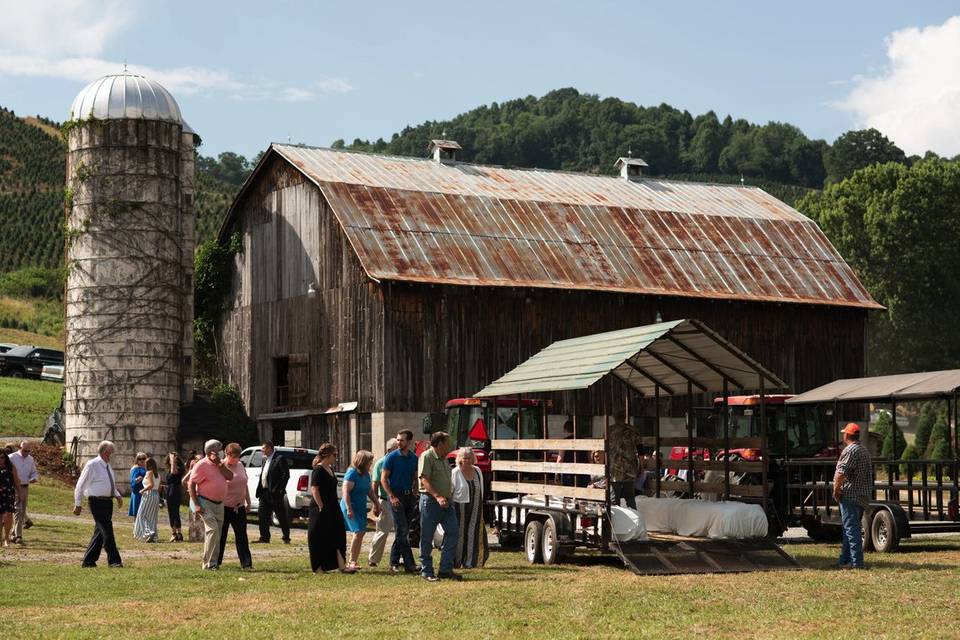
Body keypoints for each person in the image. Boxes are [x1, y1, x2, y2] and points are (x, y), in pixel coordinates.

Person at [418, 431, 461, 582]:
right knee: (427, 536)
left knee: (453, 532)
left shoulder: (444, 459)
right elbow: (424, 479)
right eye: (447, 443)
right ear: (440, 444)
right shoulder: (427, 456)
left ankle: (445, 569)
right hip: (431, 501)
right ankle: (426, 571)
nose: (450, 446)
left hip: (447, 502)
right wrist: (438, 496)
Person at [73, 441, 123, 567]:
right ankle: (114, 560)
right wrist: (77, 503)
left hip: (107, 502)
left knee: (100, 533)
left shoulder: (107, 466)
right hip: (96, 502)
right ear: (105, 452)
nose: (112, 456)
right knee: (107, 530)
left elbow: (108, 484)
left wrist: (117, 495)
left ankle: (88, 561)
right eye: (111, 453)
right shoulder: (92, 465)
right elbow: (80, 485)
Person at [187, 439, 234, 570]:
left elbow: (230, 476)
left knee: (217, 534)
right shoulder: (201, 465)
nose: (222, 452)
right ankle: (207, 564)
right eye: (220, 449)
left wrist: (220, 464)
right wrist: (196, 504)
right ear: (212, 451)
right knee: (212, 530)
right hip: (204, 502)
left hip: (219, 504)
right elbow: (191, 484)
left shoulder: (221, 464)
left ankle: (213, 563)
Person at [308, 443, 354, 573]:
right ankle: (318, 568)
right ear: (327, 455)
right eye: (334, 455)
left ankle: (341, 566)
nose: (336, 458)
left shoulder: (330, 469)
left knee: (338, 535)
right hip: (320, 508)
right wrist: (321, 506)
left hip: (333, 506)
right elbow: (314, 489)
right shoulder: (318, 469)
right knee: (318, 537)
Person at [833, 423, 874, 570]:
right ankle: (844, 561)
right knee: (848, 529)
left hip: (850, 495)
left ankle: (857, 563)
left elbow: (841, 474)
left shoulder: (850, 450)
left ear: (847, 436)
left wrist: (836, 491)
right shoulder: (864, 450)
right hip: (862, 495)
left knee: (851, 530)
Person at [381, 429, 420, 573]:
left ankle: (394, 563)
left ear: (409, 442)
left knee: (402, 532)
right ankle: (410, 564)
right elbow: (383, 479)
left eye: (402, 440)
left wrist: (415, 492)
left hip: (409, 497)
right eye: (397, 440)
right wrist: (391, 496)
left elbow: (415, 477)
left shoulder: (413, 458)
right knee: (402, 530)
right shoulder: (391, 457)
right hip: (396, 497)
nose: (398, 442)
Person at [340, 449, 381, 571]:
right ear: (362, 462)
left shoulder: (366, 474)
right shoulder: (352, 473)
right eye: (369, 462)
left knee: (361, 532)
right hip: (350, 506)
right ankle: (351, 561)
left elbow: (369, 491)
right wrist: (349, 509)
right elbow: (345, 492)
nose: (371, 464)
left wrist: (377, 503)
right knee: (358, 532)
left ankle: (354, 560)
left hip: (360, 507)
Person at [451, 447, 488, 569]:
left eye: (468, 458)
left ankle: (471, 561)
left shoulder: (477, 470)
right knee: (460, 533)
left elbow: (481, 488)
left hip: (476, 505)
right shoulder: (455, 472)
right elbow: (451, 490)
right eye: (464, 458)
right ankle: (457, 561)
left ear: (472, 459)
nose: (466, 460)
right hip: (459, 506)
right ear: (460, 459)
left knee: (473, 532)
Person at [218, 442, 252, 570]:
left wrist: (248, 501)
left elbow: (245, 484)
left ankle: (246, 563)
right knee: (222, 536)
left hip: (239, 507)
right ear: (227, 454)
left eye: (237, 456)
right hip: (225, 506)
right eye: (233, 456)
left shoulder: (240, 465)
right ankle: (217, 561)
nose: (235, 459)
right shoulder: (221, 466)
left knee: (242, 535)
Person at [368, 438, 399, 567]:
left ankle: (398, 559)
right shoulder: (380, 463)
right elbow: (375, 484)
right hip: (385, 500)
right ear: (389, 450)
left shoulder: (399, 462)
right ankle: (373, 559)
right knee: (382, 530)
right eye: (396, 448)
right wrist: (376, 504)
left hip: (400, 500)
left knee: (401, 532)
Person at [255, 441, 290, 544]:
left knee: (281, 516)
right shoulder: (264, 460)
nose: (262, 450)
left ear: (270, 448)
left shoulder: (279, 459)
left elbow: (285, 475)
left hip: (275, 493)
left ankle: (286, 537)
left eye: (263, 448)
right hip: (264, 493)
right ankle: (264, 537)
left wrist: (280, 490)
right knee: (262, 516)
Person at [608, 412, 643, 509]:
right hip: (629, 469)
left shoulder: (608, 431)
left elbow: (604, 450)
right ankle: (634, 521)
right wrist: (642, 466)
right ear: (625, 417)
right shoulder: (633, 430)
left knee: (615, 498)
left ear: (614, 417)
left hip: (614, 470)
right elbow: (640, 450)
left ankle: (616, 521)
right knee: (630, 498)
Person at [9, 441, 38, 545]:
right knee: (18, 510)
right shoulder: (11, 457)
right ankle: (18, 536)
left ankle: (12, 534)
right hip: (14, 487)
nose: (26, 452)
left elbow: (34, 472)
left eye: (28, 451)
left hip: (25, 487)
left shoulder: (30, 459)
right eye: (25, 450)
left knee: (22, 510)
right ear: (20, 448)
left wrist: (34, 478)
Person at [133, 457, 161, 542]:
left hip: (149, 494)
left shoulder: (149, 473)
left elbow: (151, 485)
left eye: (145, 463)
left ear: (148, 465)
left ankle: (148, 533)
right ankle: (152, 534)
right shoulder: (158, 474)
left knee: (142, 514)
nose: (144, 464)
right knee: (152, 516)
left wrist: (143, 490)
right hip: (156, 495)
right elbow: (158, 487)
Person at [0, 450, 24, 547]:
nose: (0, 460)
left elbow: (17, 481)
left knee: (8, 516)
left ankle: (7, 539)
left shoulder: (11, 467)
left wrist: (20, 493)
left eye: (2, 457)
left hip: (8, 494)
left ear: (5, 458)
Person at [182, 453, 204, 542]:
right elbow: (183, 481)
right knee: (194, 515)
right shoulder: (194, 470)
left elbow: (184, 481)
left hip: (201, 494)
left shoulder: (204, 469)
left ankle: (199, 536)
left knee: (199, 516)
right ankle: (195, 536)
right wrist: (189, 487)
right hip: (195, 494)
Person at [163, 453, 184, 542]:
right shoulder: (171, 469)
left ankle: (176, 534)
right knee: (172, 513)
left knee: (174, 513)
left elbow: (174, 472)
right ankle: (175, 533)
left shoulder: (178, 468)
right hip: (170, 491)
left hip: (174, 492)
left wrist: (173, 460)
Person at [128, 452, 147, 517]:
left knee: (144, 513)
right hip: (138, 492)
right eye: (140, 459)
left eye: (143, 458)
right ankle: (136, 527)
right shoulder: (135, 468)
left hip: (145, 492)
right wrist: (136, 480)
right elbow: (132, 480)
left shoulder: (146, 468)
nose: (142, 460)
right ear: (137, 460)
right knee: (138, 513)